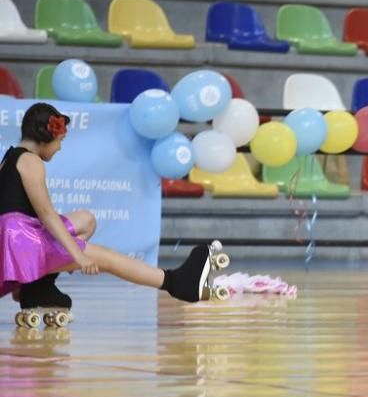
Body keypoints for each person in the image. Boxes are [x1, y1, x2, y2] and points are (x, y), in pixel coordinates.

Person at [0, 102, 222, 319]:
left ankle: (35, 289)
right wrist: (78, 255)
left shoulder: (11, 156)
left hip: (17, 237)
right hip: (22, 242)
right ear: (46, 137)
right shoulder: (31, 161)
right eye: (60, 141)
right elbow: (46, 214)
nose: (59, 148)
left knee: (85, 220)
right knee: (107, 258)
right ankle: (178, 283)